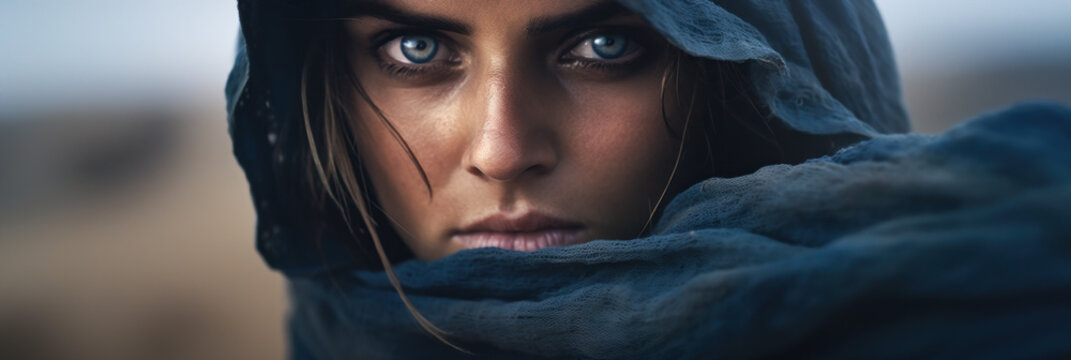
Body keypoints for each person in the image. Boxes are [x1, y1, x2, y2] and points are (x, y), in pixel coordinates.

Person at [227, 0, 1071, 358]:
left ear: (729, 71)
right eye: (415, 49)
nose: (501, 149)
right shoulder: (334, 333)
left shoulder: (995, 305)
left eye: (603, 47)